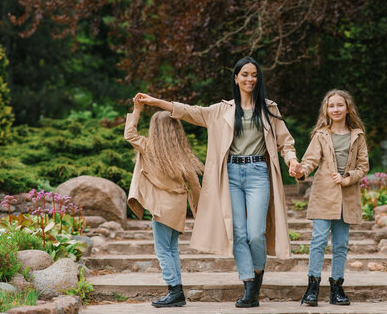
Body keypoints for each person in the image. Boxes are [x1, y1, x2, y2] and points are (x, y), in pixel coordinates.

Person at [134, 56, 301, 308]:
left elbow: (285, 141)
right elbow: (188, 111)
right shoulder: (220, 111)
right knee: (239, 233)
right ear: (236, 78)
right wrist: (156, 102)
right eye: (244, 74)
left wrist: (292, 160)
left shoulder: (269, 108)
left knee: (256, 233)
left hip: (257, 172)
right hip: (231, 175)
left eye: (254, 75)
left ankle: (256, 278)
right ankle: (248, 287)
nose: (250, 79)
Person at [291, 89, 369, 306]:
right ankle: (312, 287)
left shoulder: (358, 135)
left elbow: (364, 166)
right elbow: (310, 161)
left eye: (340, 105)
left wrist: (348, 178)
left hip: (347, 197)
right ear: (326, 109)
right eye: (331, 105)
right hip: (324, 195)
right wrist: (300, 171)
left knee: (341, 244)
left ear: (347, 108)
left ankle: (337, 288)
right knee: (318, 241)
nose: (336, 109)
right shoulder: (321, 135)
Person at [124, 96, 203, 308]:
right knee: (172, 249)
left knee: (162, 250)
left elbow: (129, 134)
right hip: (178, 207)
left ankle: (174, 290)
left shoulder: (149, 147)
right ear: (176, 130)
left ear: (154, 130)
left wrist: (137, 109)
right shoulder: (182, 155)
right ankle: (177, 291)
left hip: (160, 208)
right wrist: (199, 209)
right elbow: (195, 185)